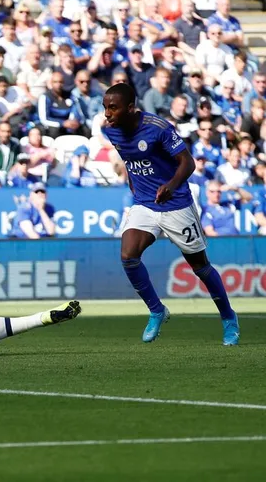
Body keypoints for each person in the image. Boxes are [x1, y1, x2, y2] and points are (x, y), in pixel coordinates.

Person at [101, 83, 239, 345]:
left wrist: (171, 186)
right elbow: (130, 161)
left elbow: (188, 162)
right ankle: (156, 310)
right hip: (144, 203)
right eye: (105, 107)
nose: (107, 113)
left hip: (176, 204)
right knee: (128, 255)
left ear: (130, 108)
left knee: (200, 267)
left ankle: (229, 318)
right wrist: (134, 184)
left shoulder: (158, 128)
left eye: (113, 107)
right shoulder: (112, 131)